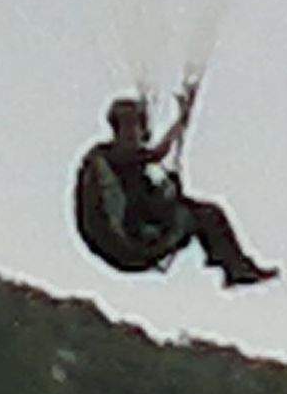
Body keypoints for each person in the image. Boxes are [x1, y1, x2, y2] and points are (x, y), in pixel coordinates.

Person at [73, 91, 273, 286]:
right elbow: (158, 154)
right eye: (130, 127)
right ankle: (235, 268)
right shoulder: (112, 157)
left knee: (204, 212)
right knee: (206, 215)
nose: (135, 134)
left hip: (126, 241)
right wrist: (181, 120)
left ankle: (233, 266)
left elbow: (147, 196)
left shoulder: (112, 163)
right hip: (132, 244)